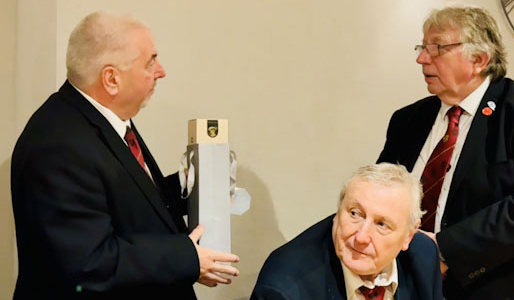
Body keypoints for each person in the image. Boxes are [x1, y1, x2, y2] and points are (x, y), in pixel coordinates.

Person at [11, 12, 239, 300]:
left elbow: (123, 199)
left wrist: (190, 185)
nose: (161, 71)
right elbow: (88, 263)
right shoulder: (59, 145)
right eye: (150, 62)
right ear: (111, 79)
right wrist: (187, 259)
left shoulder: (98, 119)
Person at [377, 5, 514, 300]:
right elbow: (380, 193)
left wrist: (443, 250)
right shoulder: (407, 121)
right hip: (418, 286)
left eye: (437, 48)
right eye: (422, 47)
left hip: (512, 287)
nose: (421, 59)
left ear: (479, 59)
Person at [250, 163, 443, 300]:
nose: (361, 237)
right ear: (338, 211)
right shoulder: (284, 288)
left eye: (381, 224)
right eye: (354, 214)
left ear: (408, 236)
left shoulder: (423, 257)